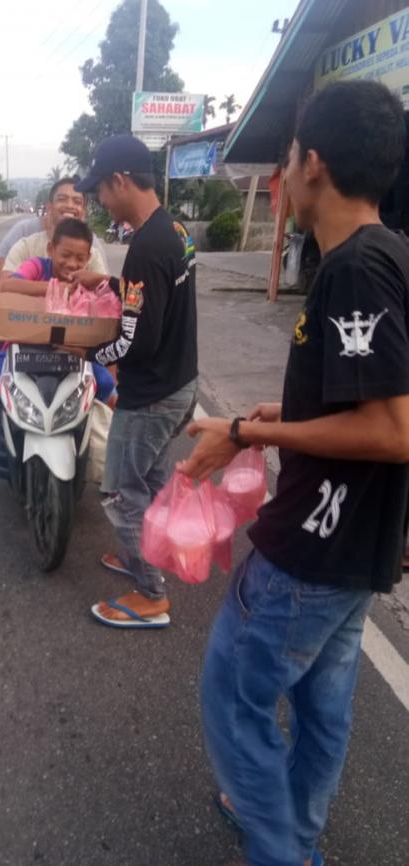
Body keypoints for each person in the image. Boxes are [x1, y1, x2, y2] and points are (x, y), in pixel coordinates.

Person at [177, 80, 409, 866]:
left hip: (312, 550)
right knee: (322, 709)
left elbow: (389, 429)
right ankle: (296, 837)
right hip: (355, 555)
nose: (283, 171)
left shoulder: (356, 270)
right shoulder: (390, 256)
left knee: (234, 702)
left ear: (312, 164)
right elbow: (371, 397)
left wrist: (239, 431)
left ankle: (281, 851)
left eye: (286, 156)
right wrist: (282, 414)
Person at [70, 134, 198, 629]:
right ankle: (141, 553)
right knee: (150, 481)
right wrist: (109, 286)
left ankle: (150, 594)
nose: (100, 200)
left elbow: (136, 340)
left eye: (101, 189)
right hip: (182, 382)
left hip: (151, 394)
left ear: (120, 181)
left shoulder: (145, 245)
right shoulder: (177, 231)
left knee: (121, 492)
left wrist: (88, 352)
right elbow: (155, 300)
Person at [0, 178, 108, 441]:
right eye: (65, 255)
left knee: (108, 386)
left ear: (88, 258)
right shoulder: (36, 263)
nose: (72, 264)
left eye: (80, 258)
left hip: (72, 350)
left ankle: (106, 439)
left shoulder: (91, 272)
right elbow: (7, 285)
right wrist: (54, 289)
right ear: (51, 250)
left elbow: (107, 307)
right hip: (21, 348)